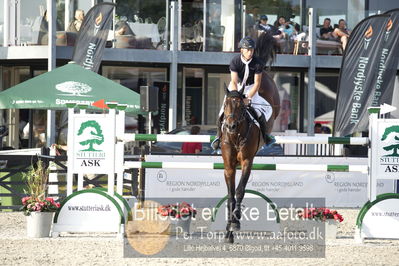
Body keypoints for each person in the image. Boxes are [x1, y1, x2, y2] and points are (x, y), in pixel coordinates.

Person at [211, 36, 275, 150]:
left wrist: (248, 98)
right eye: (248, 50)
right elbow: (234, 81)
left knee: (260, 112)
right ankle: (218, 136)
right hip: (236, 87)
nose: (250, 52)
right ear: (242, 50)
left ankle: (265, 136)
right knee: (223, 110)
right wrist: (236, 96)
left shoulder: (258, 63)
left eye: (252, 50)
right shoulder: (235, 61)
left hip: (251, 88)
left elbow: (257, 83)